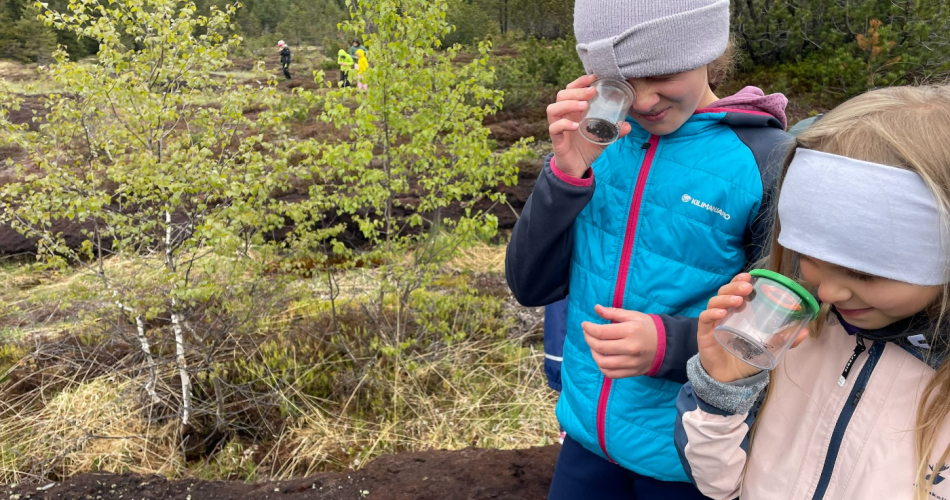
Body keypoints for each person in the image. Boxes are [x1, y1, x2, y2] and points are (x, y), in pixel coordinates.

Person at [505, 0, 792, 498]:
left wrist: (669, 346)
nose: (640, 101)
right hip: (587, 438)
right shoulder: (600, 143)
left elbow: (781, 329)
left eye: (660, 72)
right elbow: (531, 285)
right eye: (616, 83)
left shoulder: (763, 162)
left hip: (689, 456)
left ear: (709, 48)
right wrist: (566, 174)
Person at [675, 85, 950, 500]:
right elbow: (720, 485)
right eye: (808, 253)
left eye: (865, 273)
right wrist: (722, 392)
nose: (828, 290)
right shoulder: (798, 338)